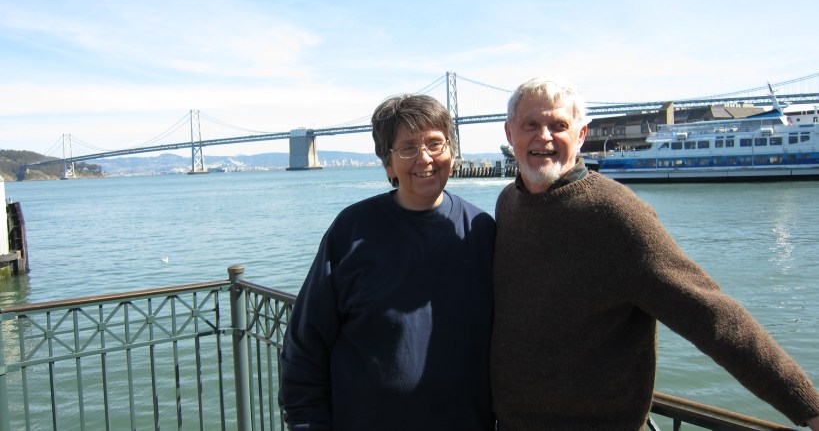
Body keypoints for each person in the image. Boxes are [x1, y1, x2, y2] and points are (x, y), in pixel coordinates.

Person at [490, 76, 819, 430]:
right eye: (531, 125)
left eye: (559, 125)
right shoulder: (509, 202)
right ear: (511, 135)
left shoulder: (616, 214)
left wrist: (808, 407)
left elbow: (712, 316)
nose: (544, 137)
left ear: (581, 135)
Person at [278, 94, 496, 431]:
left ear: (451, 152)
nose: (425, 158)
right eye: (408, 148)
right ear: (388, 164)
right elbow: (305, 349)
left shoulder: (482, 231)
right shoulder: (350, 232)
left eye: (435, 144)